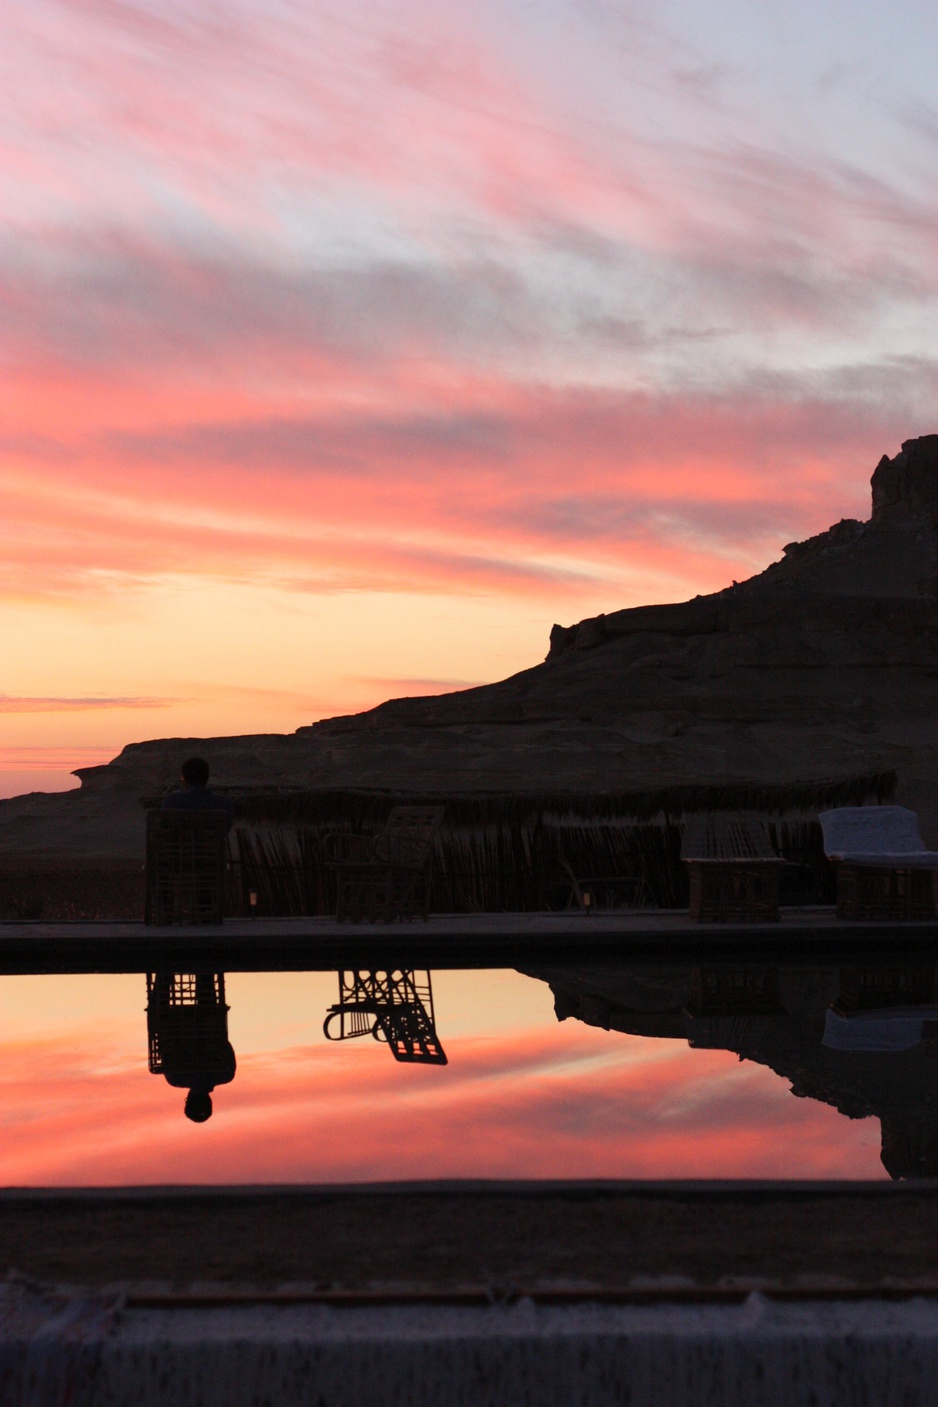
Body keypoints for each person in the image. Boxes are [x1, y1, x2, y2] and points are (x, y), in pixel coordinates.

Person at [161, 756, 233, 830]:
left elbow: (163, 826)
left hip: (180, 841)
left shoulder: (171, 801)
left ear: (185, 779)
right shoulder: (224, 804)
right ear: (207, 777)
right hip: (210, 841)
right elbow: (226, 828)